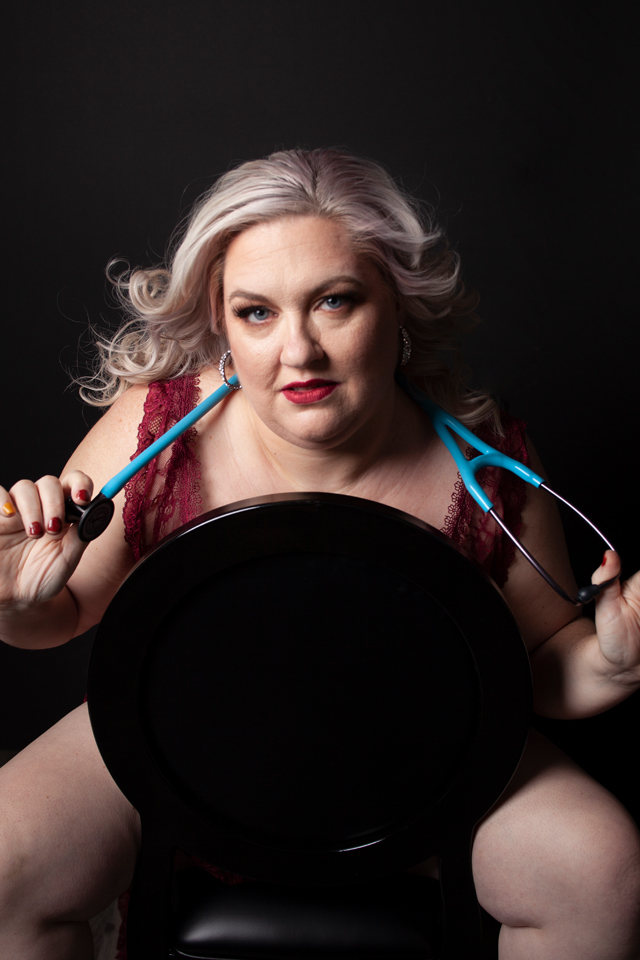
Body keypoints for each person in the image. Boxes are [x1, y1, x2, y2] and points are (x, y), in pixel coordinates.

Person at [1, 148, 639, 960]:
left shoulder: (487, 465)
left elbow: (543, 664)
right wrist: (12, 600)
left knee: (600, 870)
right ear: (221, 323)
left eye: (334, 302)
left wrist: (613, 664)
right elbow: (56, 618)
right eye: (256, 313)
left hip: (419, 766)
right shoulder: (155, 431)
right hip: (178, 745)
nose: (297, 351)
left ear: (398, 304)